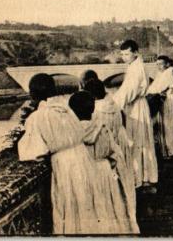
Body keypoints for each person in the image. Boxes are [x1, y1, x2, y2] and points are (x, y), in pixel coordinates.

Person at [17, 73, 101, 235]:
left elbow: (33, 151)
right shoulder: (66, 109)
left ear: (33, 94)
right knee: (86, 205)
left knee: (70, 207)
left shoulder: (38, 117)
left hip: (64, 164)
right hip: (83, 157)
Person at [69, 91, 139, 235]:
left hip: (84, 174)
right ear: (93, 109)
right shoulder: (102, 127)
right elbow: (114, 151)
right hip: (104, 172)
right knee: (110, 207)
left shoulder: (72, 133)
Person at [113, 38, 158, 189]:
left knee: (137, 141)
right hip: (138, 105)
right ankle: (146, 176)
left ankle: (141, 177)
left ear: (135, 53)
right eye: (122, 54)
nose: (124, 57)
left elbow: (128, 92)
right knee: (142, 140)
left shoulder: (136, 69)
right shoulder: (136, 65)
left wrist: (112, 105)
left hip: (135, 107)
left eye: (127, 54)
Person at [85, 78, 135, 194]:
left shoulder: (95, 110)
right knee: (123, 174)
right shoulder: (114, 104)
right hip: (120, 140)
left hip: (107, 146)